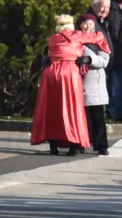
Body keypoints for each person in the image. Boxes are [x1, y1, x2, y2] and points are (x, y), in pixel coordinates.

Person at [31, 15, 92, 156]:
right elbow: (98, 37)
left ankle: (53, 145)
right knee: (73, 108)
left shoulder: (52, 38)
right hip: (70, 72)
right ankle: (74, 145)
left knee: (52, 108)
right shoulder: (77, 36)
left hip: (51, 73)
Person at [77, 14, 111, 155]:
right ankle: (81, 143)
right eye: (85, 23)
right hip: (78, 82)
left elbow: (104, 60)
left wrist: (89, 59)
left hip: (95, 83)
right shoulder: (75, 39)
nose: (88, 26)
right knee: (81, 117)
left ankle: (101, 145)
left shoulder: (100, 39)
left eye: (91, 23)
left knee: (98, 117)